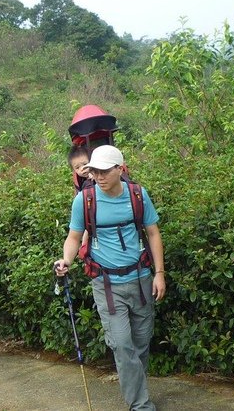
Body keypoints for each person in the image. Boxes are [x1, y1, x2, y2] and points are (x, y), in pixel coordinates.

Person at [54, 145, 166, 411]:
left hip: (141, 279)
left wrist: (160, 274)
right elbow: (73, 237)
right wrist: (66, 260)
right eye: (95, 171)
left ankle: (137, 392)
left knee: (141, 342)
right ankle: (140, 405)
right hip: (106, 284)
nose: (99, 176)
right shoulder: (85, 200)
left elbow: (153, 233)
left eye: (105, 171)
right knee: (121, 345)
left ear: (120, 169)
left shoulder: (138, 195)